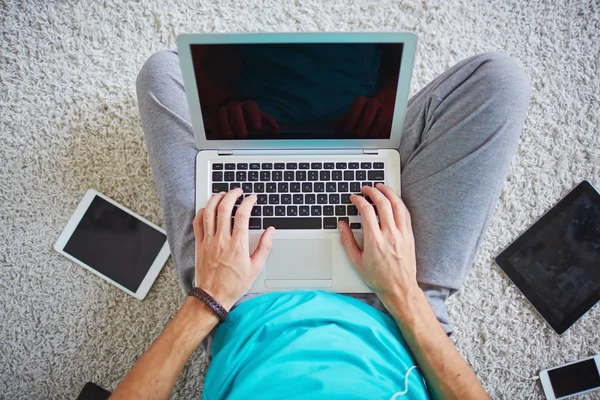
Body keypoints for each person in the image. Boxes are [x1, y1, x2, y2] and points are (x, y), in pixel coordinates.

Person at [110, 49, 530, 399]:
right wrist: (402, 290)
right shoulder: (401, 296)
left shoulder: (220, 297)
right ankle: (347, 140)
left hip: (236, 305)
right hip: (396, 312)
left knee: (162, 74)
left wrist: (210, 296)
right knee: (500, 82)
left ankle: (278, 141)